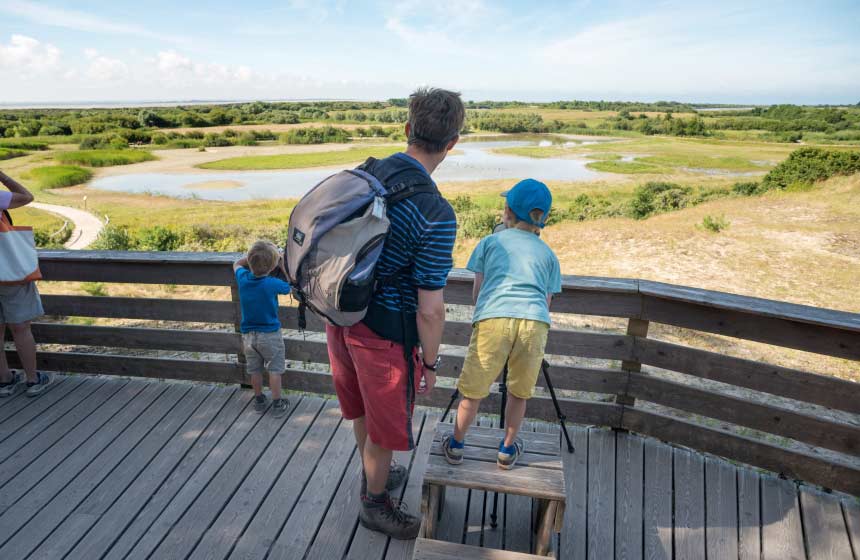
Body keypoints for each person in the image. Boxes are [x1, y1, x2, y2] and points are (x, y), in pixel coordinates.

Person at [325, 87, 464, 540]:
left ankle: (374, 477)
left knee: (362, 408)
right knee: (386, 426)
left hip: (340, 315)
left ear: (407, 129)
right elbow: (431, 308)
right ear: (453, 143)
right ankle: (375, 503)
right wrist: (429, 361)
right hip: (384, 333)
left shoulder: (367, 173)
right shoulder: (436, 212)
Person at [442, 179, 561, 470]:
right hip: (534, 323)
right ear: (543, 218)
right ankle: (507, 450)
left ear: (507, 211)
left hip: (494, 318)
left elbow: (477, 294)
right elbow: (546, 304)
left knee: (473, 391)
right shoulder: (548, 256)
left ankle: (456, 444)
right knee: (519, 393)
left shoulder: (490, 242)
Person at [0, 170, 54, 397]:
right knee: (21, 328)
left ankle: (4, 381)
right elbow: (26, 196)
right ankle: (33, 380)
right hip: (9, 273)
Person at [234, 240, 292, 418]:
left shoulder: (243, 278)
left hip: (249, 337)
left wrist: (252, 258)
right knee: (274, 369)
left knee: (255, 370)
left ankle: (259, 400)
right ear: (272, 264)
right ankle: (277, 403)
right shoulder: (272, 283)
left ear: (250, 261)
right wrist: (282, 265)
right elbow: (289, 286)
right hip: (270, 335)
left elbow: (236, 263)